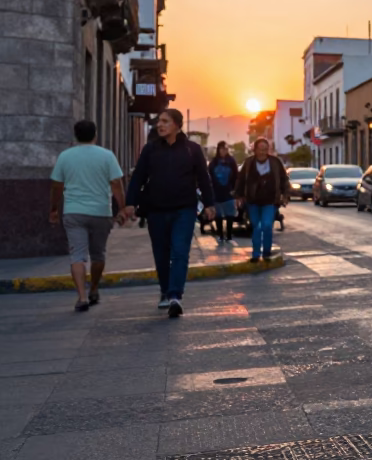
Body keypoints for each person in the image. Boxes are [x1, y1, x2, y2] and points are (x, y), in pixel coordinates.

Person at [123, 108, 215, 317]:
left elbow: (203, 177)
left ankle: (175, 296)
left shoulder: (192, 149)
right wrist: (130, 203)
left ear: (176, 125)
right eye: (159, 122)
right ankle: (165, 291)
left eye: (165, 121)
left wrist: (210, 204)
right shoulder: (150, 150)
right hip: (156, 210)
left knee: (180, 251)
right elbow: (138, 177)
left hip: (185, 209)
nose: (160, 125)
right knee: (161, 254)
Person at [49, 120, 127, 312]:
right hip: (101, 212)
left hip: (73, 212)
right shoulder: (107, 155)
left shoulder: (65, 156)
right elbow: (116, 183)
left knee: (77, 255)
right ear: (95, 135)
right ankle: (93, 289)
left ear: (75, 136)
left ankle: (82, 298)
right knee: (98, 254)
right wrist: (123, 208)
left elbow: (57, 186)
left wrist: (54, 209)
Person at [234, 138, 289, 263]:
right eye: (260, 149)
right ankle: (255, 253)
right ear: (255, 150)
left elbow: (284, 179)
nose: (263, 152)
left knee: (267, 225)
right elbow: (241, 180)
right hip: (252, 201)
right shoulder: (248, 163)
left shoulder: (275, 162)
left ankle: (266, 252)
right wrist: (238, 196)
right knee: (256, 227)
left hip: (270, 201)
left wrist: (285, 194)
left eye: (265, 149)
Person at [207, 141, 240, 244]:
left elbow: (236, 177)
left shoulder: (231, 161)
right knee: (218, 215)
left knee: (230, 215)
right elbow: (209, 177)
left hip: (229, 193)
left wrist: (235, 190)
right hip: (216, 193)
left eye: (225, 149)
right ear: (218, 149)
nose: (223, 151)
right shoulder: (213, 163)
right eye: (221, 149)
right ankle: (220, 235)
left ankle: (229, 235)